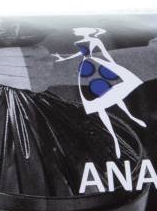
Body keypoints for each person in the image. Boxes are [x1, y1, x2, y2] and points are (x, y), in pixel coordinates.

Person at [54, 27, 146, 158]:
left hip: (98, 68)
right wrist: (62, 58)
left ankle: (131, 117)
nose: (77, 32)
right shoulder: (77, 42)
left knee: (115, 96)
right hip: (87, 70)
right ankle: (114, 138)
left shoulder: (96, 40)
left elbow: (105, 54)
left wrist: (114, 65)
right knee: (100, 105)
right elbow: (78, 54)